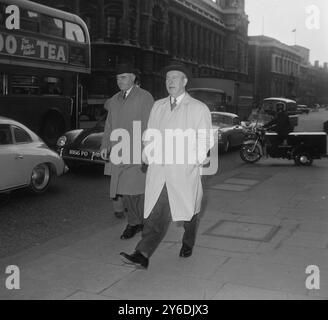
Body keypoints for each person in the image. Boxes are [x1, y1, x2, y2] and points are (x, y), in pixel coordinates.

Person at [120, 63, 214, 269]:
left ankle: (188, 241)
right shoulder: (159, 106)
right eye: (167, 78)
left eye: (175, 78)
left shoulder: (198, 108)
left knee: (189, 212)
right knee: (156, 212)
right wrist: (147, 152)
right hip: (160, 169)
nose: (170, 82)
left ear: (185, 82)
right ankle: (142, 253)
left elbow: (205, 139)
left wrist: (192, 159)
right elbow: (150, 133)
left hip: (184, 170)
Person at [100, 63, 154, 238]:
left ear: (133, 78)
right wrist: (104, 145)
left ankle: (143, 222)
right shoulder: (115, 99)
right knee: (126, 191)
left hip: (138, 151)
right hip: (119, 152)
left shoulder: (144, 97)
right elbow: (108, 125)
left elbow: (150, 125)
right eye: (117, 78)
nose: (119, 81)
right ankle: (134, 223)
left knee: (138, 191)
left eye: (123, 77)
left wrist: (148, 150)